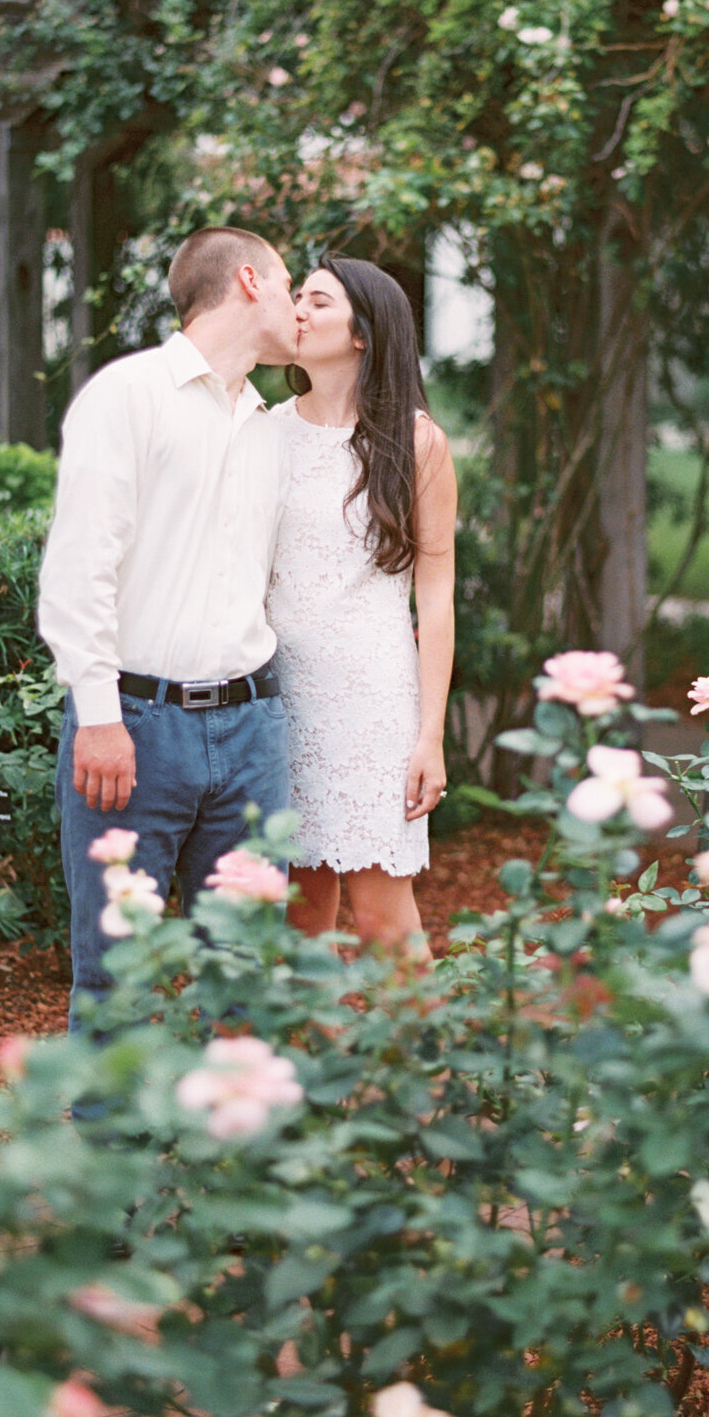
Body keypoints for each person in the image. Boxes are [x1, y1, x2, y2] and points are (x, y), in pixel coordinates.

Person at [39, 224, 299, 1020]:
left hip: (255, 732)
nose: (297, 309)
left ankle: (241, 1145)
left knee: (250, 978)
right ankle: (111, 1147)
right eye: (291, 289)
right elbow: (80, 572)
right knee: (119, 979)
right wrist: (100, 717)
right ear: (250, 281)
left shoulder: (269, 426)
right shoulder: (128, 395)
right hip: (136, 732)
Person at [268, 256, 457, 949]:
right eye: (297, 298)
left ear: (363, 333)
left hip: (372, 706)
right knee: (296, 914)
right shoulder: (262, 431)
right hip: (275, 697)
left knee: (382, 918)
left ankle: (424, 1061)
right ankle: (292, 1058)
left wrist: (430, 735)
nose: (297, 311)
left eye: (317, 301)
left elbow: (435, 602)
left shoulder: (418, 443)